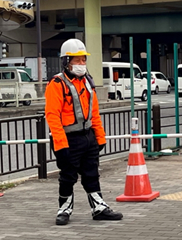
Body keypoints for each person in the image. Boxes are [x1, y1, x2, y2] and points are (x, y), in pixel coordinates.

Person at [45, 38, 123, 225]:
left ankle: (99, 208)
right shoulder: (57, 84)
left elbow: (94, 113)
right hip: (68, 139)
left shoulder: (88, 82)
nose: (81, 64)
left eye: (83, 60)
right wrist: (61, 145)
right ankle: (64, 209)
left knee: (91, 173)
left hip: (88, 137)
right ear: (66, 61)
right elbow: (52, 116)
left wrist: (100, 137)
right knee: (68, 176)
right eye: (77, 60)